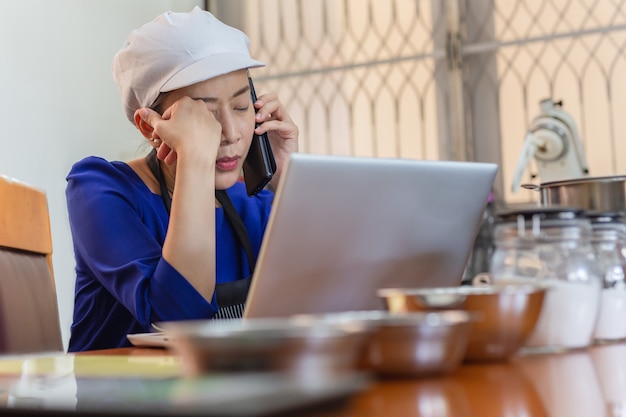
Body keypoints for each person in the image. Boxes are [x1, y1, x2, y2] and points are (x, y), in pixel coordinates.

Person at [65, 7, 299, 352]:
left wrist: (290, 180)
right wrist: (195, 160)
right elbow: (179, 318)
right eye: (204, 114)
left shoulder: (257, 204)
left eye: (240, 107)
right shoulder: (99, 188)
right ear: (151, 126)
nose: (232, 133)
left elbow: (329, 304)